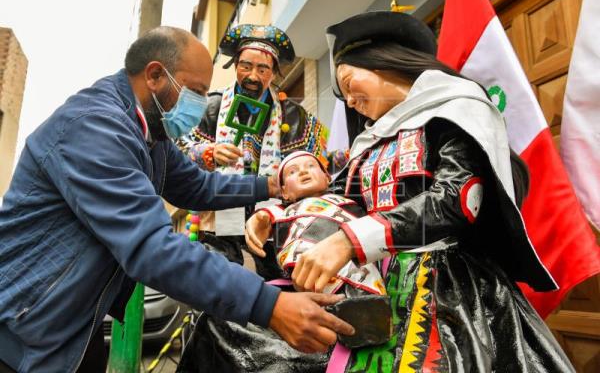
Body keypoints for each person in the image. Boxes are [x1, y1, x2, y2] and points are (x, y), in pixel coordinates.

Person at [0, 27, 354, 373]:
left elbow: (199, 187)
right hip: (25, 323)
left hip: (77, 320)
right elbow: (151, 246)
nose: (200, 105)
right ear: (155, 75)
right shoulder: (95, 127)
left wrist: (274, 187)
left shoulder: (151, 134)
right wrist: (269, 305)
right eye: (196, 91)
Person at [249, 11, 575, 372]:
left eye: (348, 82)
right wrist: (272, 215)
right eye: (344, 98)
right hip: (375, 285)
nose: (350, 103)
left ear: (382, 62)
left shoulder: (456, 109)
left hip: (450, 291)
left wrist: (348, 242)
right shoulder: (368, 143)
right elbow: (336, 199)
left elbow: (455, 201)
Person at [177, 151, 385, 372]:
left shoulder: (304, 125)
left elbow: (333, 160)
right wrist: (209, 153)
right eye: (296, 170)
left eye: (309, 167)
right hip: (234, 206)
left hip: (298, 221)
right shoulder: (214, 115)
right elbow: (189, 161)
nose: (303, 171)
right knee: (221, 308)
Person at [176, 24, 330, 280]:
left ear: (274, 72)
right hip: (219, 214)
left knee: (280, 282)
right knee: (216, 282)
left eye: (263, 69)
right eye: (245, 66)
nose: (253, 76)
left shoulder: (294, 116)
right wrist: (207, 153)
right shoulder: (211, 107)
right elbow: (178, 153)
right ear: (235, 65)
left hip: (275, 219)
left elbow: (317, 165)